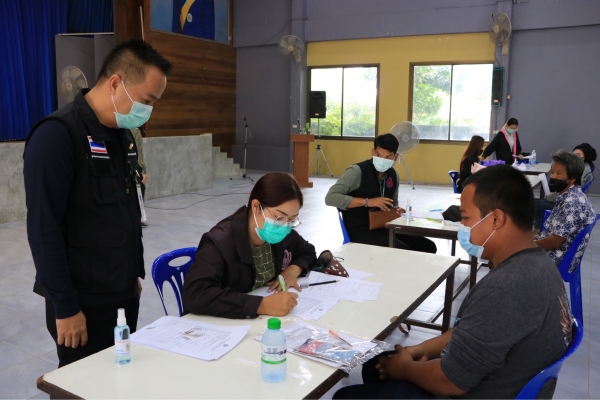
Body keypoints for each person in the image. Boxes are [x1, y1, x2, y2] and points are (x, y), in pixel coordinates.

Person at [334, 165, 572, 399]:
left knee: (345, 395)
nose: (463, 227)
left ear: (496, 219)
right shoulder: (537, 263)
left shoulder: (506, 288)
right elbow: (472, 329)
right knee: (375, 366)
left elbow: (451, 381)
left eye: (466, 218)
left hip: (472, 389)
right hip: (497, 377)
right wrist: (420, 349)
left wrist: (405, 369)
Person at [23, 39, 172, 367]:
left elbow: (123, 211)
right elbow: (43, 229)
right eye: (146, 101)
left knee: (119, 376)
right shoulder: (57, 136)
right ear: (116, 83)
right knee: (82, 383)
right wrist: (65, 306)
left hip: (121, 293)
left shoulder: (122, 135)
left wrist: (131, 276)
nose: (148, 111)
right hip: (82, 301)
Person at [183, 172, 317, 319]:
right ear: (256, 206)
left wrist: (293, 270)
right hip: (219, 323)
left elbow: (308, 252)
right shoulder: (220, 242)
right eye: (279, 217)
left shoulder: (283, 232)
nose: (285, 226)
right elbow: (195, 294)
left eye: (292, 220)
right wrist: (261, 305)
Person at [325, 133, 436, 253]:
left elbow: (393, 205)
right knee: (402, 250)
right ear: (373, 152)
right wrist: (367, 202)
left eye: (388, 157)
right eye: (378, 155)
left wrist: (397, 211)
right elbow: (330, 198)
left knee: (428, 246)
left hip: (384, 226)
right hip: (361, 230)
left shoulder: (393, 175)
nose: (382, 160)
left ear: (395, 157)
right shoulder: (357, 172)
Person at [536, 150, 595, 272]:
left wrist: (528, 246)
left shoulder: (571, 203)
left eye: (559, 173)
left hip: (558, 257)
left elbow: (554, 242)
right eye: (552, 172)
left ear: (572, 178)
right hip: (562, 252)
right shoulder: (572, 193)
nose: (553, 177)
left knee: (507, 256)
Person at [131, 127, 149, 227]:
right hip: (131, 164)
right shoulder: (133, 130)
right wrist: (143, 170)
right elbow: (139, 152)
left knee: (140, 189)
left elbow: (139, 152)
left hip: (132, 164)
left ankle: (137, 217)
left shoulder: (134, 130)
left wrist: (143, 169)